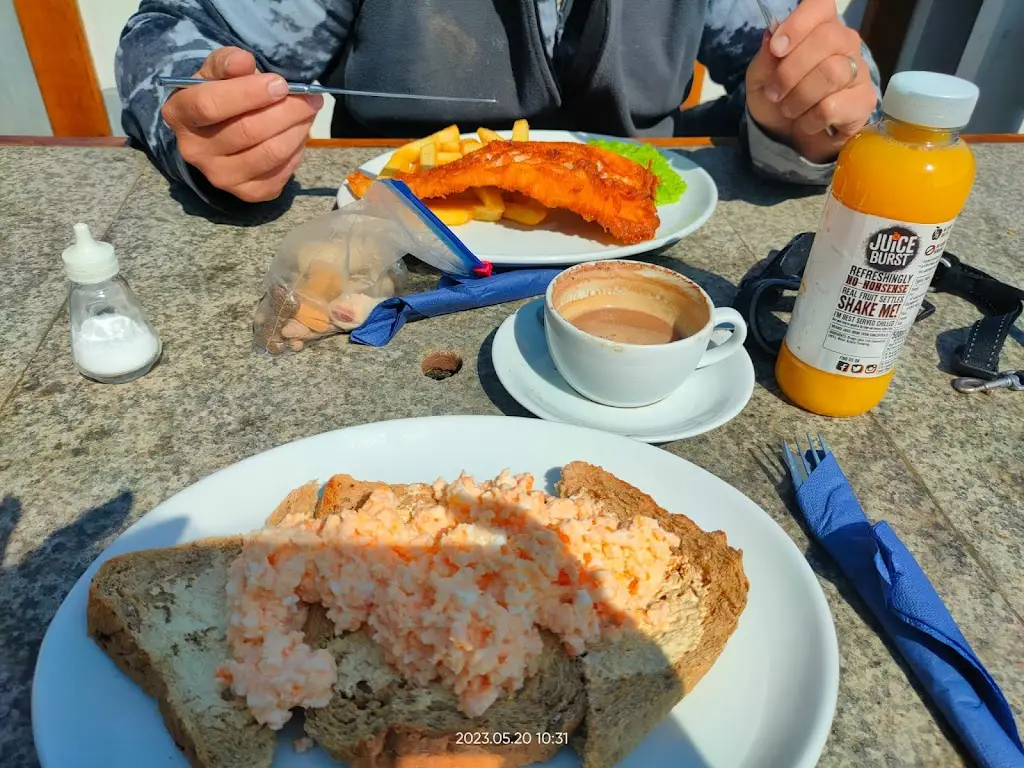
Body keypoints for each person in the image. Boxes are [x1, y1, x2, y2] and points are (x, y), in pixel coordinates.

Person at [116, 0, 880, 209]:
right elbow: (182, 33)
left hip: (651, 255)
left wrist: (809, 121)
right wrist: (204, 114)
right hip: (395, 254)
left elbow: (825, 76)